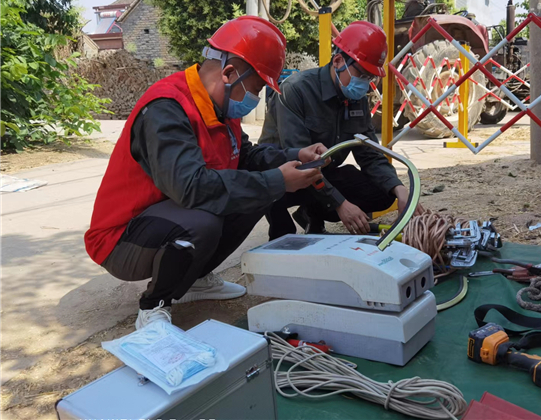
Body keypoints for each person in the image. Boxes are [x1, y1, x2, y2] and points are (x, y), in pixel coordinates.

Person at [84, 16, 325, 329]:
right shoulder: (166, 107)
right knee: (204, 219)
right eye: (255, 89)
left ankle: (194, 279)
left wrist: (294, 156)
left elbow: (245, 157)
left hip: (165, 218)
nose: (254, 99)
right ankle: (154, 305)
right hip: (122, 240)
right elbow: (191, 188)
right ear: (229, 73)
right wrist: (277, 180)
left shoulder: (220, 106)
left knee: (257, 194)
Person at [260, 21, 424, 240]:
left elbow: (369, 153)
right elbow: (302, 163)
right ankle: (281, 236)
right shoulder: (296, 90)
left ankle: (312, 216)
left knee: (382, 193)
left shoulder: (356, 98)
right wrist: (340, 204)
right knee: (273, 193)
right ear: (338, 61)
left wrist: (399, 190)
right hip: (286, 174)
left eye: (371, 77)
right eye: (362, 75)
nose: (365, 83)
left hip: (322, 172)